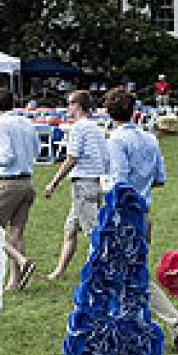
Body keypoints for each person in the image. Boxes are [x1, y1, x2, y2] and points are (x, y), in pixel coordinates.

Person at [105, 87, 178, 346]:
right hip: (143, 211)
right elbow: (160, 179)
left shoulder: (116, 140)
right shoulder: (150, 139)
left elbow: (119, 182)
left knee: (126, 273)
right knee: (127, 273)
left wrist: (103, 186)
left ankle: (174, 323)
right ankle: (132, 326)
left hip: (123, 214)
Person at [43, 91, 109, 280]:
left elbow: (71, 158)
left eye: (70, 104)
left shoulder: (78, 128)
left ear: (78, 106)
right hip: (96, 183)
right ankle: (59, 271)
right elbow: (105, 157)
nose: (67, 108)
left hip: (83, 185)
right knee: (70, 229)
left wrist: (53, 183)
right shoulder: (96, 128)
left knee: (95, 234)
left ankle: (102, 274)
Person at [0, 88, 40, 291]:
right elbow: (38, 150)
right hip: (28, 182)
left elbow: (7, 157)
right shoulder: (27, 122)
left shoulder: (2, 124)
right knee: (16, 233)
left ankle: (22, 260)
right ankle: (15, 282)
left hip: (10, 183)